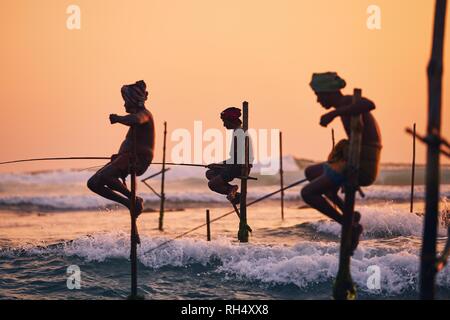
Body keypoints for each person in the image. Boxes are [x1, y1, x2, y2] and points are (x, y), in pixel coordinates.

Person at [301, 72, 382, 253]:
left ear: (328, 92)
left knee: (308, 193)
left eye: (318, 95)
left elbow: (370, 104)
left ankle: (349, 225)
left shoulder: (348, 102)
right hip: (353, 160)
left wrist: (333, 113)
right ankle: (349, 214)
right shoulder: (347, 106)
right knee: (310, 173)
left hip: (362, 165)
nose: (318, 101)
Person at [87, 80, 155, 218]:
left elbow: (136, 119)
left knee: (106, 176)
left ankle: (133, 199)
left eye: (126, 101)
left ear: (133, 101)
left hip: (136, 159)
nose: (124, 104)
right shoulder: (138, 114)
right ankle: (129, 202)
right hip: (124, 158)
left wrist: (118, 118)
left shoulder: (144, 114)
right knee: (93, 183)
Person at [205, 107, 253, 205]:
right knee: (210, 173)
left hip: (239, 167)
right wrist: (218, 165)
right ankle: (232, 192)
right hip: (235, 165)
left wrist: (221, 165)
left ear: (231, 121)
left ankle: (232, 190)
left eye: (224, 121)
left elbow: (237, 158)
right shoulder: (238, 132)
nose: (224, 124)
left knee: (212, 184)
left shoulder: (239, 133)